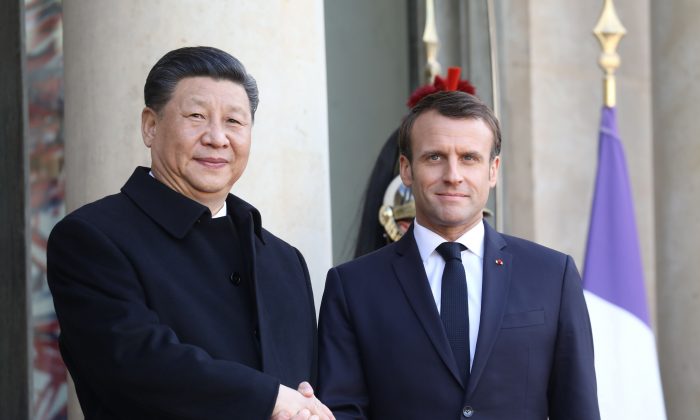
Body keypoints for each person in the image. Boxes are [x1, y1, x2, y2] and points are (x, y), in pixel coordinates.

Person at [47, 46, 332, 420]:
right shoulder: (91, 238)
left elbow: (307, 386)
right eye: (196, 116)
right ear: (151, 126)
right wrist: (271, 400)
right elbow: (136, 365)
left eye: (234, 121)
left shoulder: (283, 259)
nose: (217, 137)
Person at [317, 91, 600, 419]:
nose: (453, 175)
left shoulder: (553, 275)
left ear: (493, 170)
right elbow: (343, 411)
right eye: (435, 157)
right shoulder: (352, 286)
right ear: (407, 169)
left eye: (469, 157)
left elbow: (578, 409)